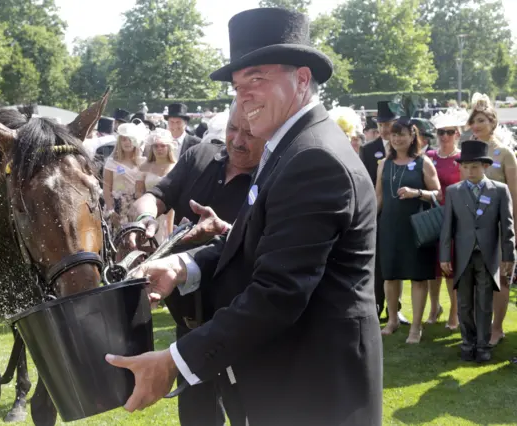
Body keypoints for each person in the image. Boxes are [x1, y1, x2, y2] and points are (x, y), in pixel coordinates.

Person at [106, 8, 382, 425]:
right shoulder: (290, 148)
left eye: (257, 78)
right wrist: (183, 265)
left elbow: (279, 292)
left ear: (302, 79)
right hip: (285, 382)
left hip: (312, 390)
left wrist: (173, 362)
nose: (244, 96)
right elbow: (264, 240)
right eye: (238, 86)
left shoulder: (312, 158)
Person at [125, 98, 265, 426]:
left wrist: (224, 231)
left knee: (249, 413)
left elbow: (265, 244)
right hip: (188, 322)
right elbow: (156, 196)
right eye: (233, 128)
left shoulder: (273, 175)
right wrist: (144, 217)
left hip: (242, 326)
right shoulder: (199, 156)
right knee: (196, 416)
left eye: (249, 133)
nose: (238, 140)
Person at [440, 140, 515, 363]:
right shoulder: (454, 191)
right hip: (462, 255)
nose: (470, 171)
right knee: (463, 303)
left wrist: (508, 255)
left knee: (484, 301)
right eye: (465, 166)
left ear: (485, 166)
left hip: (488, 255)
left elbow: (507, 224)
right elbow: (447, 227)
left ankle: (483, 344)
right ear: (461, 167)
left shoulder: (499, 191)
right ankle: (467, 342)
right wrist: (444, 255)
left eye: (475, 166)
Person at [376, 115, 440, 343]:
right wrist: (370, 223)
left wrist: (417, 193)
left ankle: (416, 326)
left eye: (401, 134)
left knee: (418, 277)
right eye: (393, 134)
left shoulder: (424, 162)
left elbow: (438, 193)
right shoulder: (384, 164)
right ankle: (392, 320)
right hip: (389, 227)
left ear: (412, 136)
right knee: (390, 276)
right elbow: (379, 197)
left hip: (416, 227)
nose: (396, 138)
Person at [467, 93, 517, 346]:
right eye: (474, 121)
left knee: (500, 278)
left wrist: (514, 230)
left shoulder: (505, 153)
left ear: (493, 122)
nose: (477, 126)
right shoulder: (467, 153)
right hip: (472, 227)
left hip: (499, 226)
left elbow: (514, 195)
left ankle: (497, 329)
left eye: (482, 120)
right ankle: (478, 326)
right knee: (476, 277)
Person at [360, 100, 409, 324]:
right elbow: (364, 182)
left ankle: (395, 309)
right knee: (379, 264)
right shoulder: (368, 149)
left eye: (387, 124)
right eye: (380, 125)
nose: (383, 129)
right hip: (377, 213)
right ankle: (378, 306)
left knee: (398, 262)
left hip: (401, 212)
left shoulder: (404, 148)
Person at [425, 108, 469, 329]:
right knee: (433, 269)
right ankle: (434, 308)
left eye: (449, 132)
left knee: (450, 267)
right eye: (441, 132)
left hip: (455, 219)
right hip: (433, 218)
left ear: (458, 134)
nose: (444, 136)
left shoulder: (462, 159)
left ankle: (454, 312)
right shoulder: (429, 157)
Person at [135, 129, 178, 244]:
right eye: (156, 146)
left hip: (169, 213)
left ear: (169, 147)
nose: (159, 149)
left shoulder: (176, 166)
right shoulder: (144, 166)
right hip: (147, 211)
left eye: (163, 146)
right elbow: (138, 191)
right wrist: (149, 203)